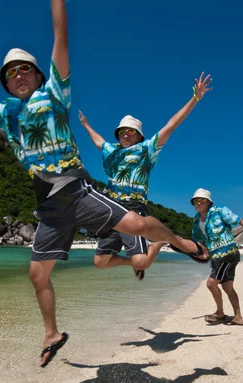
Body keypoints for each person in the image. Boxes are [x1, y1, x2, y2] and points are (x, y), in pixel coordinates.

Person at [0, 0, 206, 367]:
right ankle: (52, 333)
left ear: (37, 74)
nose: (18, 74)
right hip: (48, 208)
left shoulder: (54, 95)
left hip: (76, 191)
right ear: (6, 82)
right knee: (37, 274)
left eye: (25, 68)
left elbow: (60, 36)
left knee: (140, 226)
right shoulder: (6, 112)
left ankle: (181, 243)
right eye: (11, 72)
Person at [78, 73, 212, 280]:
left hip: (133, 206)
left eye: (130, 132)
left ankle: (163, 240)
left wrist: (195, 98)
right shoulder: (112, 151)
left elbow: (171, 125)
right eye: (122, 131)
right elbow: (98, 142)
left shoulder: (146, 149)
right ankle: (148, 247)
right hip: (111, 208)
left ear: (139, 136)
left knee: (143, 262)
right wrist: (86, 125)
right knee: (100, 262)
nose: (125, 134)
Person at [190, 188, 243, 326]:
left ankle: (220, 313)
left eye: (202, 200)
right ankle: (238, 317)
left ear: (208, 202)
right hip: (215, 256)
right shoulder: (196, 220)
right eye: (195, 200)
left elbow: (240, 220)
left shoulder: (219, 211)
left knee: (211, 283)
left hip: (227, 253)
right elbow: (198, 241)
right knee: (227, 287)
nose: (198, 203)